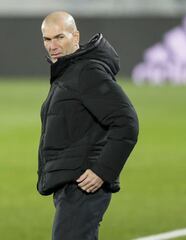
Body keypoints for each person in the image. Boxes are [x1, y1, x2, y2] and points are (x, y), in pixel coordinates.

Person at [37, 11, 139, 240]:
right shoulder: (68, 72)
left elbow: (126, 122)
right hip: (70, 186)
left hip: (83, 185)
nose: (52, 45)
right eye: (47, 39)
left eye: (59, 37)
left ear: (75, 36)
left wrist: (103, 170)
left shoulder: (87, 72)